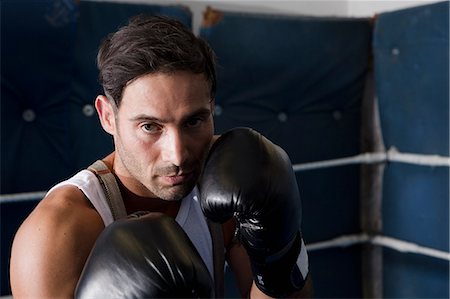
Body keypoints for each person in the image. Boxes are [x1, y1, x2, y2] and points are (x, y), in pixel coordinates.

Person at [10, 15, 313, 298]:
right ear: (107, 117)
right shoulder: (56, 233)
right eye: (150, 126)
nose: (178, 154)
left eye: (193, 121)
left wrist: (280, 250)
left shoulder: (231, 182)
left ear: (211, 108)